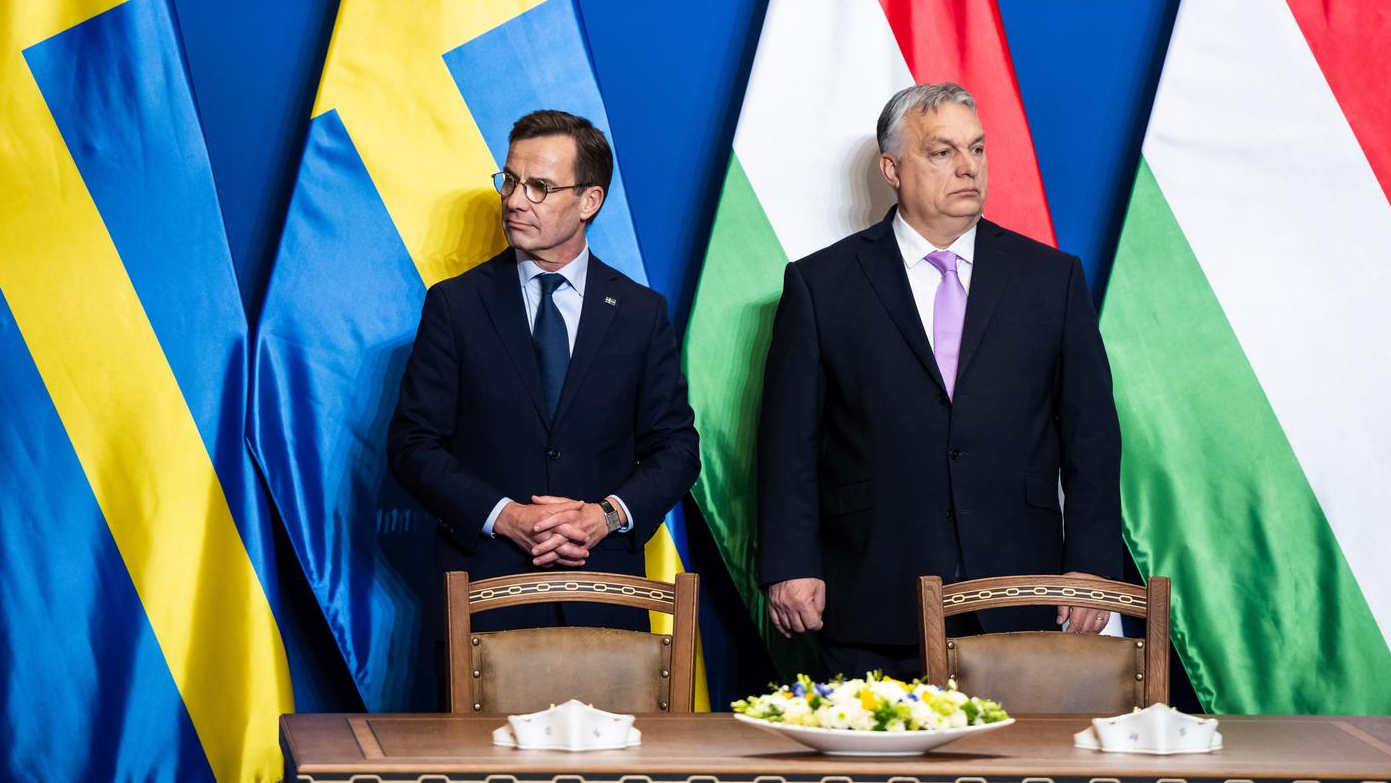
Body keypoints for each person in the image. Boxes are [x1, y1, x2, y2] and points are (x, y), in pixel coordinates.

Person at [756, 82, 1123, 679]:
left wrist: (1089, 564)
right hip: (874, 594)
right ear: (891, 168)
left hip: (1022, 595)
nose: (967, 168)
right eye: (942, 152)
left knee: (1017, 774)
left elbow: (1092, 436)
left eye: (977, 150)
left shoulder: (1051, 280)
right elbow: (788, 443)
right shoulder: (821, 286)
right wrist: (790, 562)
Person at [388, 109, 699, 633]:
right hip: (485, 600)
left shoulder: (641, 314)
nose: (513, 200)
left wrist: (604, 516)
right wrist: (506, 516)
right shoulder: (455, 306)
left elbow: (676, 450)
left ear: (589, 201)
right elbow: (412, 444)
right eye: (509, 181)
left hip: (605, 600)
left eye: (538, 187)